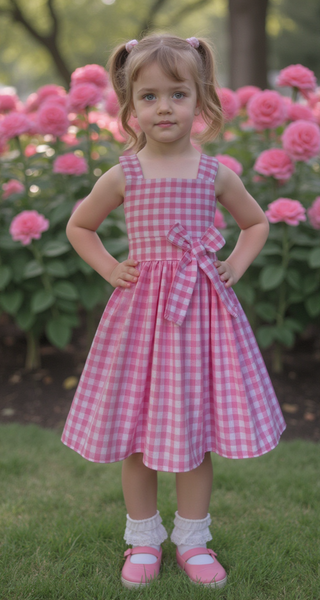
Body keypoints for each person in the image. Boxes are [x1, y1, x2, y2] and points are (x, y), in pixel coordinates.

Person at [62, 33, 286, 589]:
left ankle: (193, 539)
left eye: (178, 94)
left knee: (192, 433)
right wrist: (112, 268)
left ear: (201, 100)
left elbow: (255, 223)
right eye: (150, 97)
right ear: (131, 108)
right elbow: (79, 226)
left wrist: (234, 262)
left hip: (201, 317)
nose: (164, 107)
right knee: (138, 435)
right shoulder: (125, 175)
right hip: (141, 319)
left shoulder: (215, 174)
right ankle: (143, 538)